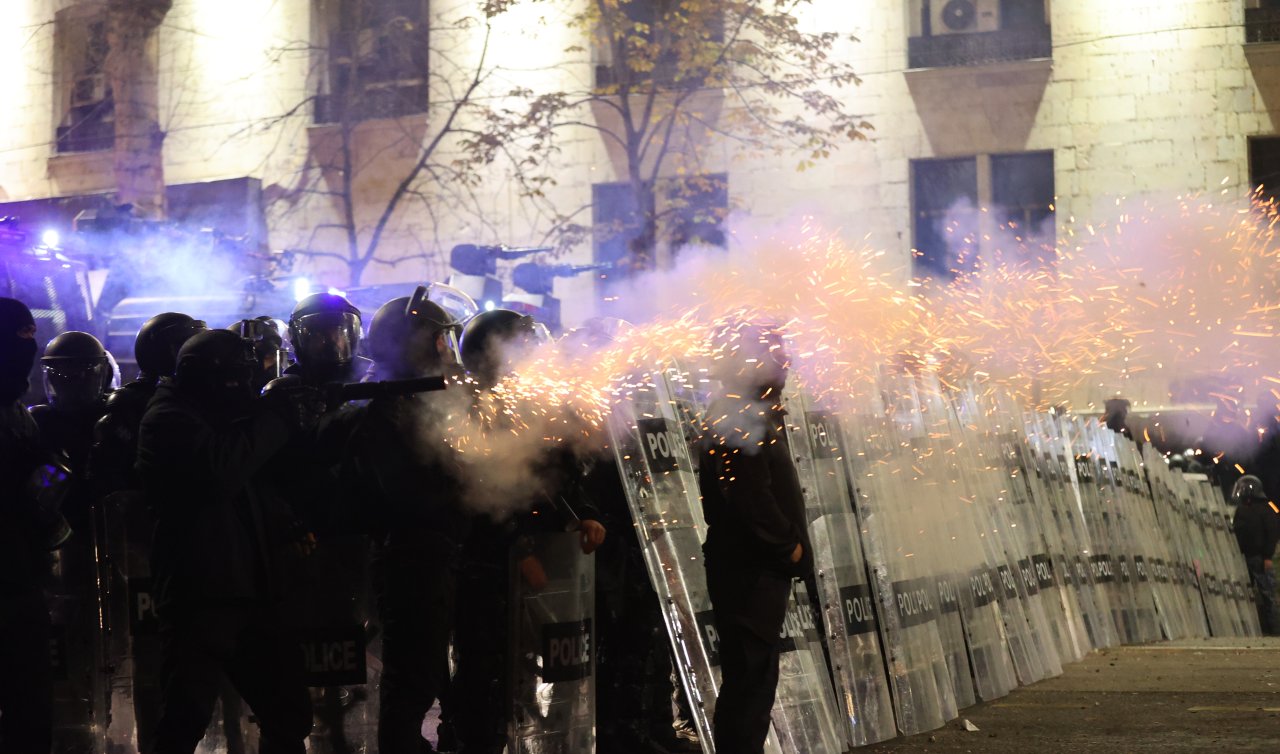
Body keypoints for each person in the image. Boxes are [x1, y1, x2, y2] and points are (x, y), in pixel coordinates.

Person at [136, 329, 318, 753]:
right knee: (184, 719)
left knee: (288, 714)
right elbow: (221, 471)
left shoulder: (210, 417)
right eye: (239, 377)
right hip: (201, 593)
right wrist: (276, 418)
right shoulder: (167, 418)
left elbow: (256, 486)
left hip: (247, 591)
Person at [452, 308, 605, 754]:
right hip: (489, 571)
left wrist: (583, 516)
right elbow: (477, 496)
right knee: (487, 679)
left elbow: (554, 479)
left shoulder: (529, 407)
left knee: (538, 674)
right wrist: (518, 551)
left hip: (546, 563)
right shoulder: (468, 414)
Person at [340, 294, 468, 753]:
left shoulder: (415, 404)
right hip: (411, 558)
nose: (448, 350)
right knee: (411, 675)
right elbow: (407, 494)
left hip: (429, 553)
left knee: (427, 668)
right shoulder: (385, 414)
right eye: (441, 340)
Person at [89, 312, 208, 753]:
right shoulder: (130, 408)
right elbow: (107, 489)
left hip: (180, 552)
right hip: (142, 555)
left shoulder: (193, 401)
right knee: (153, 661)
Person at [697, 320, 812, 754]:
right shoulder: (735, 413)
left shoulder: (749, 409)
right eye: (775, 352)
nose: (785, 361)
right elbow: (749, 494)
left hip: (755, 563)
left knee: (753, 678)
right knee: (749, 680)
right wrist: (788, 546)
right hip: (749, 565)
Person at [29, 331, 117, 752]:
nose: (71, 382)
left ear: (101, 373)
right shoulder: (37, 423)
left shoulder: (119, 419)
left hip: (116, 557)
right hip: (57, 564)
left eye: (81, 372)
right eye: (59, 373)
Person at [0, 297, 68, 754]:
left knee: (30, 702)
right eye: (19, 336)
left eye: (32, 334)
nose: (30, 344)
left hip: (20, 572)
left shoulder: (14, 406)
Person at [286, 293, 370, 389]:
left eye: (339, 333)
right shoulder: (286, 389)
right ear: (295, 338)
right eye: (318, 335)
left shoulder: (370, 378)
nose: (331, 341)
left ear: (352, 335)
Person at [1232, 475, 1280, 636]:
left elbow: (1272, 534)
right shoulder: (1242, 509)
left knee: (1268, 596)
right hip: (1244, 558)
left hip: (1259, 559)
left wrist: (1267, 557)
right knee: (1245, 594)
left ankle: (1274, 630)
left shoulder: (1265, 510)